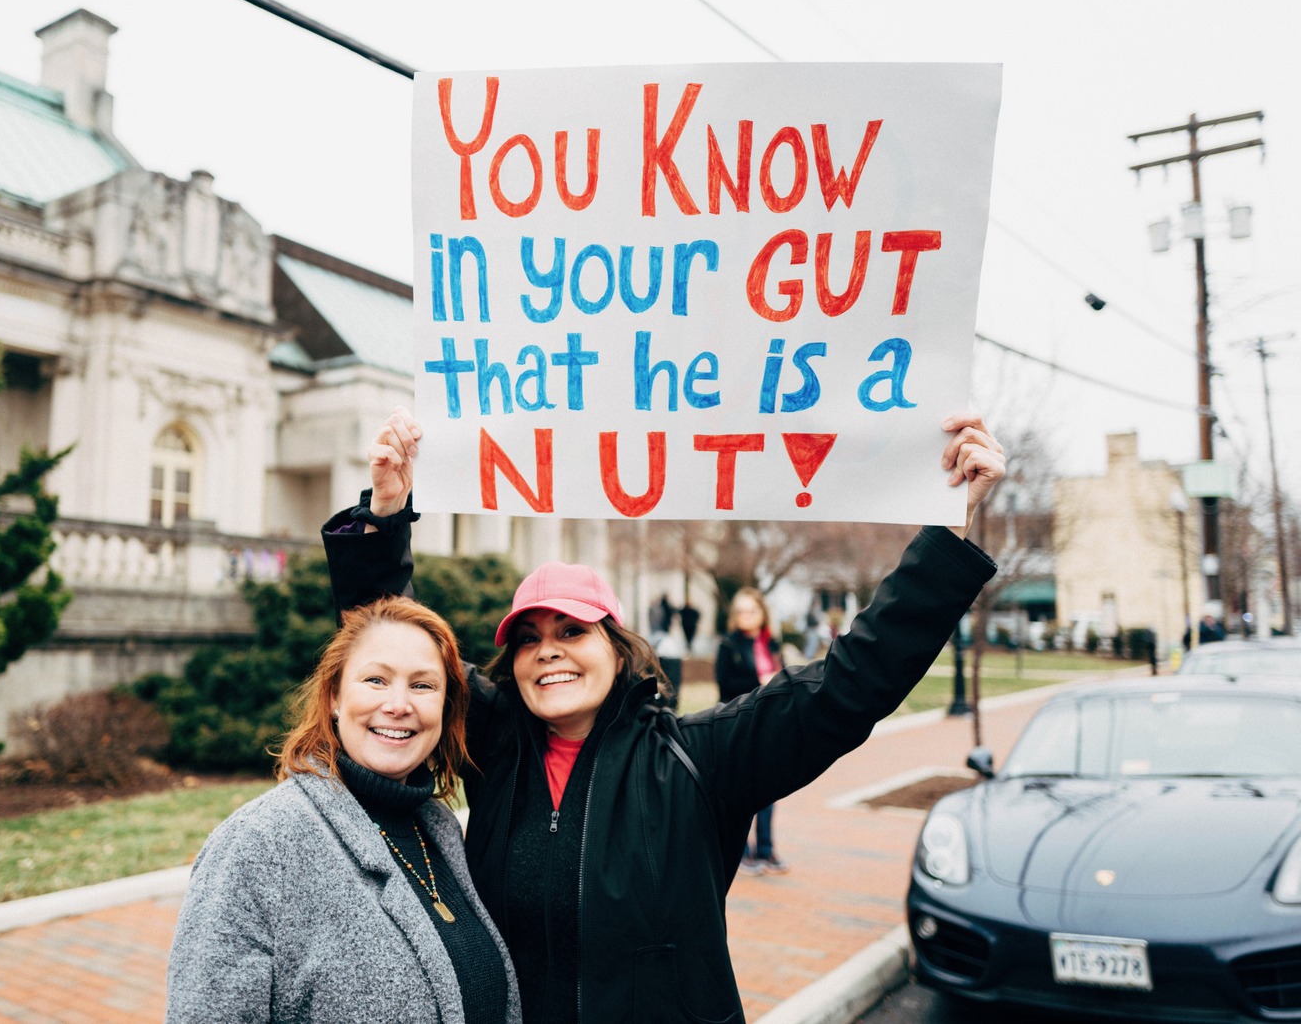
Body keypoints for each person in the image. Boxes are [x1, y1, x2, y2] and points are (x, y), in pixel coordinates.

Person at [323, 407, 1004, 1024]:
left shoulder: (700, 758)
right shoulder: (496, 745)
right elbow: (393, 642)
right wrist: (386, 514)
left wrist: (947, 534)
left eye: (572, 631)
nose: (548, 651)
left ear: (617, 651)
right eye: (528, 637)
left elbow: (852, 681)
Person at [165, 597, 521, 1024]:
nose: (398, 705)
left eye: (423, 685)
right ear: (334, 696)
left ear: (446, 708)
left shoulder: (438, 829)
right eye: (375, 680)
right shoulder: (258, 843)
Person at [714, 587, 787, 874]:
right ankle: (741, 852)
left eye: (751, 610)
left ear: (762, 613)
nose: (745, 616)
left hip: (768, 725)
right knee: (742, 791)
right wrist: (759, 679)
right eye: (740, 611)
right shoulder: (728, 645)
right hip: (739, 725)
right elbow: (725, 686)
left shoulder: (772, 643)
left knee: (769, 789)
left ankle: (766, 850)